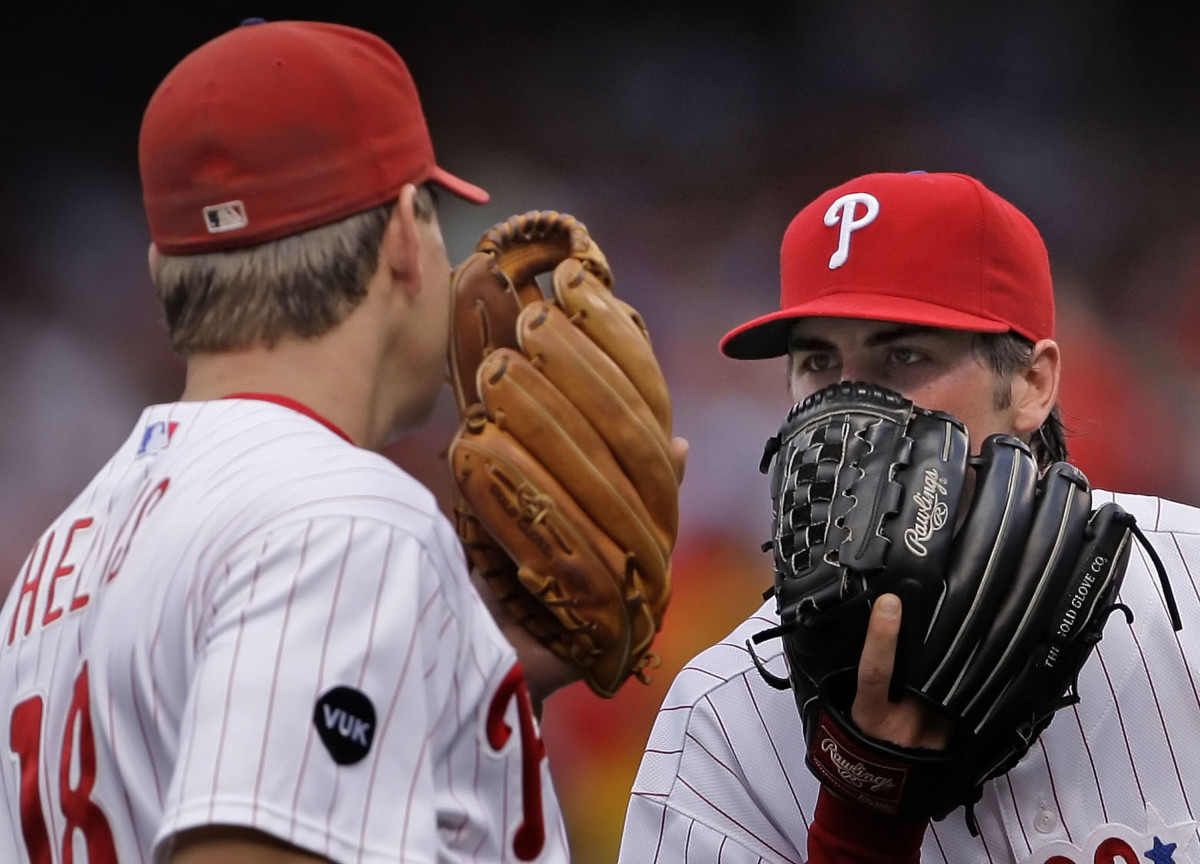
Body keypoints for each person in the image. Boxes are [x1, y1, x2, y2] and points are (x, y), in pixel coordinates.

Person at [0, 19, 581, 864]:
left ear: (166, 268)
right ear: (399, 241)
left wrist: (476, 698)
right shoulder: (342, 518)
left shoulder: (53, 563)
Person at [617, 171, 1200, 863]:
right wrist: (860, 826)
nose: (849, 405)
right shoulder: (722, 716)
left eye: (903, 357)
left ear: (1033, 382)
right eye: (818, 361)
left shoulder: (1191, 585)